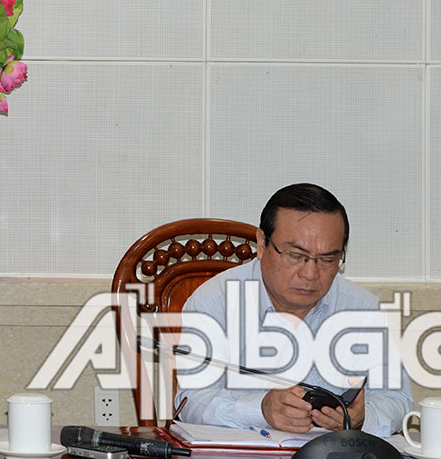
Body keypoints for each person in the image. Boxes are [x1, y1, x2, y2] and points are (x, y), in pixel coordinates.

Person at [173, 184, 411, 437]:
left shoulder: (362, 308)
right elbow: (191, 403)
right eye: (296, 255)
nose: (310, 274)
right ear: (262, 244)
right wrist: (261, 409)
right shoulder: (214, 302)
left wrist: (363, 417)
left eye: (328, 260)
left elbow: (398, 400)